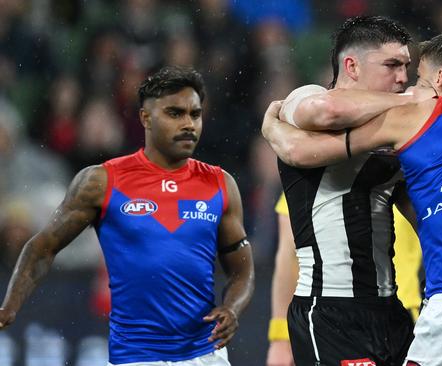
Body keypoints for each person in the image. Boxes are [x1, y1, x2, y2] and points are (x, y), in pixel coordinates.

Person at [263, 30, 442, 365]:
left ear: (439, 79)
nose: (409, 84)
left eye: (418, 78)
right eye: (395, 67)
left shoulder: (415, 116)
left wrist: (271, 128)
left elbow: (304, 149)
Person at [0, 66, 255, 366]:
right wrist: (9, 308)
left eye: (195, 114)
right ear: (146, 118)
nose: (189, 124)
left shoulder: (221, 184)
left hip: (205, 355)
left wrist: (232, 309)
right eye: (175, 113)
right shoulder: (102, 181)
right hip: (135, 358)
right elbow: (42, 247)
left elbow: (242, 269)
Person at [266, 15, 430, 366]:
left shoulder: (395, 126)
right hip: (329, 308)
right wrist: (413, 103)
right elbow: (325, 112)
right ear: (351, 65)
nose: (403, 78)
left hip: (390, 306)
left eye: (407, 66)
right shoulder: (309, 95)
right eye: (392, 65)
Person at [266, 194, 422, 366]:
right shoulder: (313, 172)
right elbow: (290, 253)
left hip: (404, 319)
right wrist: (280, 338)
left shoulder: (407, 171)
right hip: (335, 320)